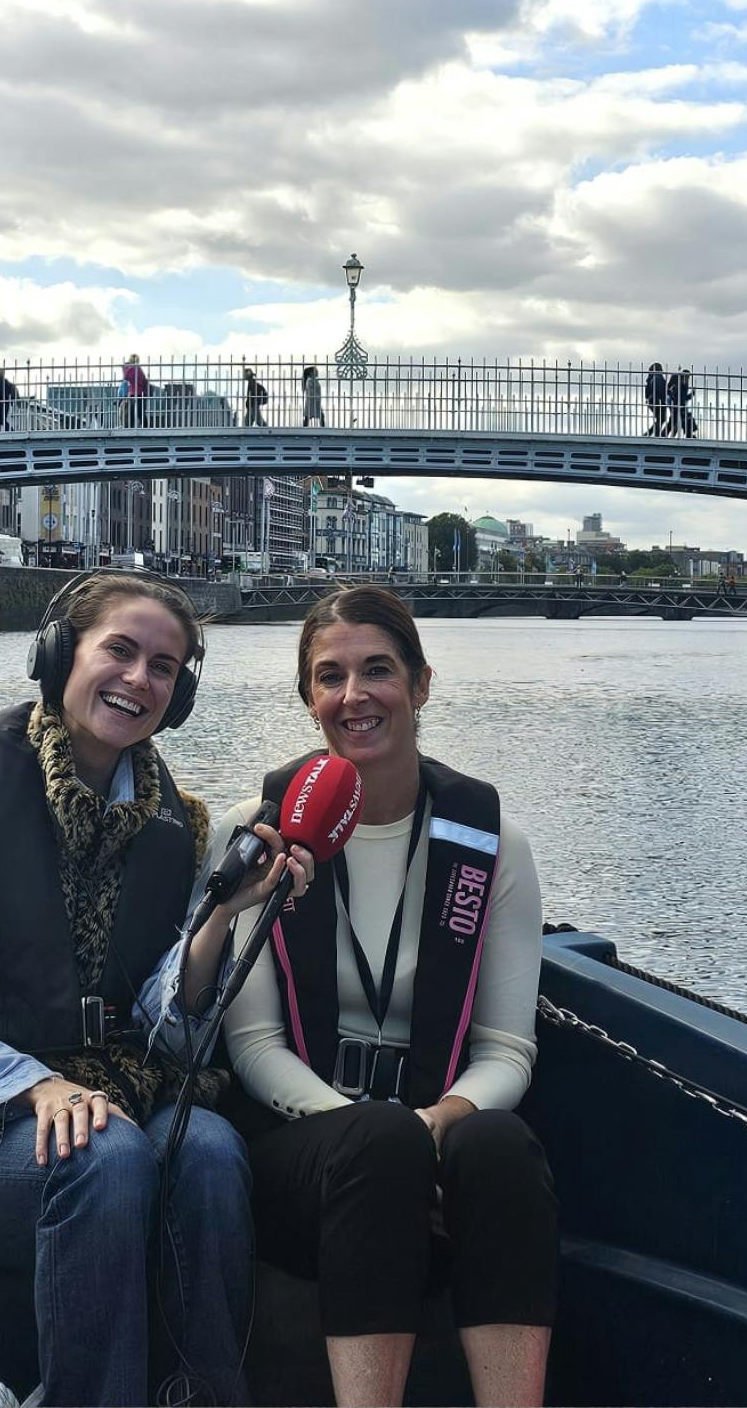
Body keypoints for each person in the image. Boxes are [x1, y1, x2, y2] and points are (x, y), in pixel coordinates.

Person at [0, 571, 311, 1405]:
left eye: (165, 667)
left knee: (210, 1152)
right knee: (102, 1157)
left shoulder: (187, 830)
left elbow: (168, 1030)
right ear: (61, 654)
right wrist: (35, 1087)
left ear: (179, 696)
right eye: (121, 650)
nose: (140, 679)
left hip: (119, 1106)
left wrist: (222, 917)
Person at [216, 584, 558, 1407]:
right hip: (306, 1166)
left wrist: (433, 1128)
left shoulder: (492, 845)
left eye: (377, 670)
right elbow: (254, 1045)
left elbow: (507, 1050)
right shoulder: (259, 834)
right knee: (377, 1147)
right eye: (329, 677)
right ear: (308, 700)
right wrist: (386, 1140)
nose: (353, 695)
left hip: (433, 1152)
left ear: (422, 684)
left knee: (502, 1149)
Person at [666, 368, 696, 438]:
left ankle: (668, 436)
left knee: (675, 422)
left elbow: (682, 397)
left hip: (677, 405)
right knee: (682, 420)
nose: (688, 378)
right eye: (688, 377)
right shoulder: (681, 385)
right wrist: (691, 395)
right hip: (678, 405)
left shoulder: (680, 384)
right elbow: (682, 397)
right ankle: (689, 435)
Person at [643, 362, 668, 436]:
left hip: (652, 400)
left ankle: (650, 433)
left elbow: (647, 392)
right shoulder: (658, 378)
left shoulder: (650, 378)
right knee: (661, 418)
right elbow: (660, 390)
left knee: (660, 419)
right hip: (658, 401)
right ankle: (655, 434)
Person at [0, 368, 19, 432]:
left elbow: (14, 394)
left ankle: (8, 429)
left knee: (1, 419)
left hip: (5, 404)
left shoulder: (7, 384)